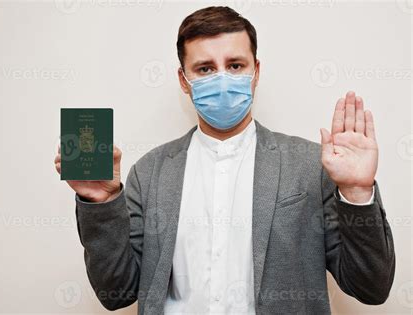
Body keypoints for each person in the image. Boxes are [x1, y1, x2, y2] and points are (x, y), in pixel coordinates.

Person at [54, 6, 395, 314]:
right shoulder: (150, 172)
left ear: (256, 72)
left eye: (235, 65)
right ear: (183, 81)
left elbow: (371, 287)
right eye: (204, 68)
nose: (221, 79)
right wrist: (100, 201)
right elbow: (117, 294)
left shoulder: (309, 165)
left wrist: (357, 193)